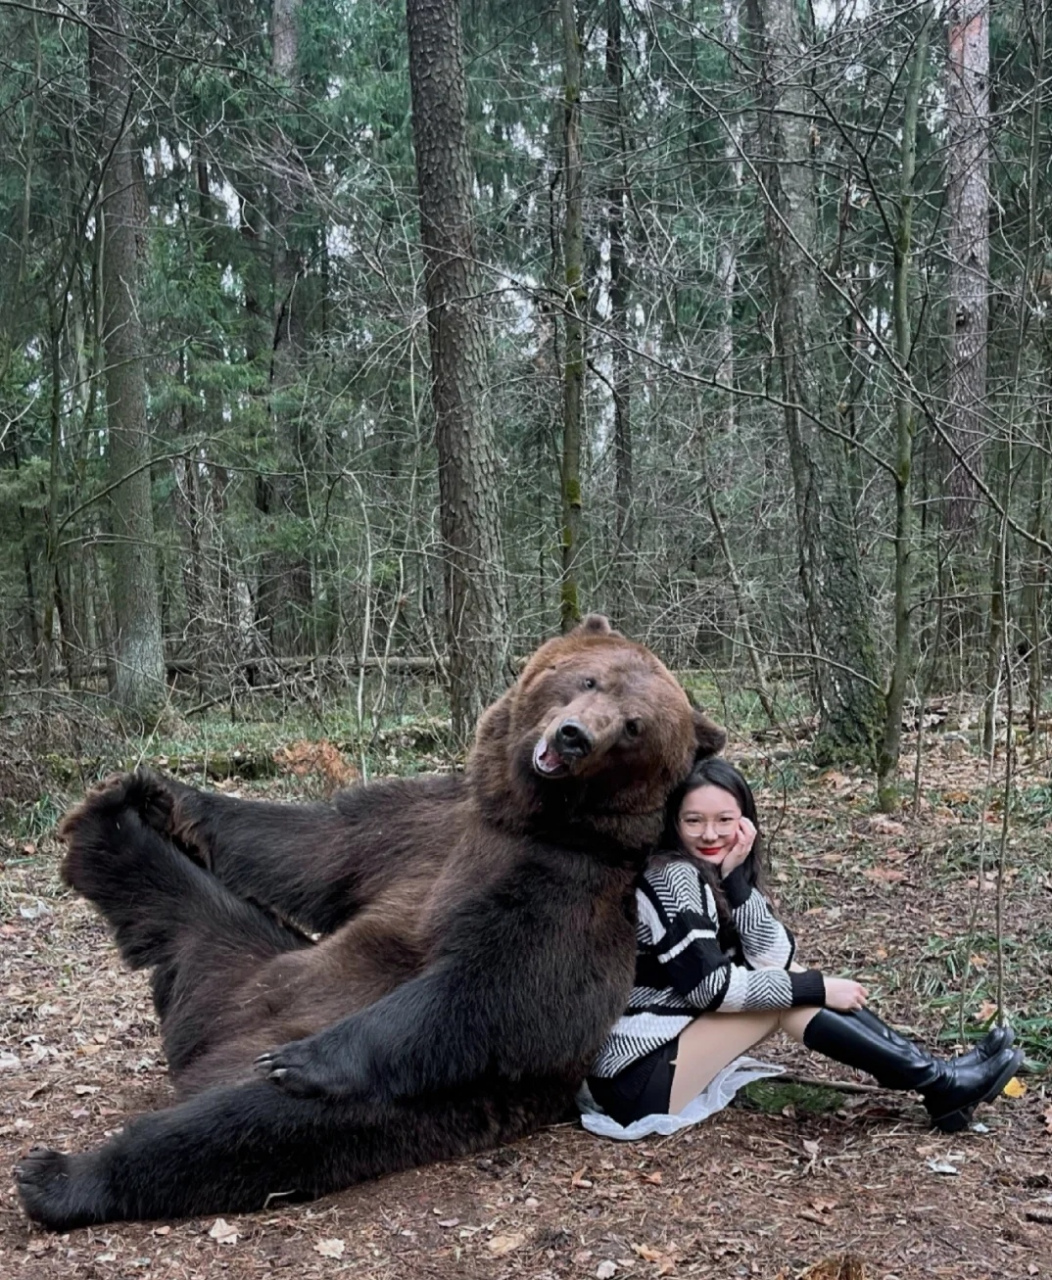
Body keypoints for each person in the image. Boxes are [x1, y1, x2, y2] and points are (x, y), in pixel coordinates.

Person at [587, 757, 1021, 1133]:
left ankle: (939, 1078)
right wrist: (819, 989)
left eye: (724, 819)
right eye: (693, 820)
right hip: (634, 1076)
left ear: (745, 821)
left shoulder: (713, 874)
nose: (710, 833)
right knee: (790, 998)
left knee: (791, 984)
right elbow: (709, 988)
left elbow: (775, 958)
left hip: (672, 1053)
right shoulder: (671, 877)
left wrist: (737, 885)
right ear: (673, 824)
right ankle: (942, 1085)